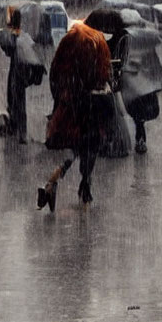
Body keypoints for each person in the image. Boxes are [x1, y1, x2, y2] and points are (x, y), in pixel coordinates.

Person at [37, 22, 112, 210]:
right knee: (91, 145)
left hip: (71, 104)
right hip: (92, 105)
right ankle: (85, 185)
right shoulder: (98, 43)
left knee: (75, 145)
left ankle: (53, 180)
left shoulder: (68, 43)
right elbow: (104, 74)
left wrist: (60, 98)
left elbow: (55, 72)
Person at [83, 9, 132, 158]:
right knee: (113, 111)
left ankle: (104, 142)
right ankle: (112, 142)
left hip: (105, 80)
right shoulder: (123, 35)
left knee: (103, 113)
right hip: (114, 77)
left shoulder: (102, 40)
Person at [0, 7, 42, 143]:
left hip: (17, 70)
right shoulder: (23, 35)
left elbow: (8, 49)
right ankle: (18, 129)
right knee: (16, 99)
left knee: (16, 99)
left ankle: (20, 132)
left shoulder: (15, 36)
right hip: (20, 70)